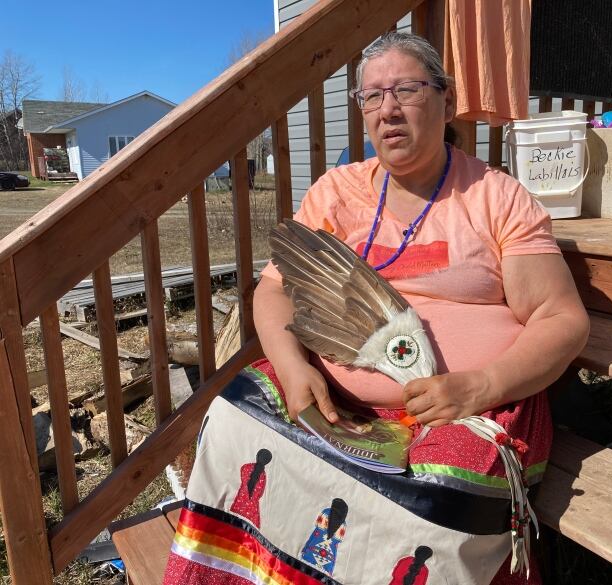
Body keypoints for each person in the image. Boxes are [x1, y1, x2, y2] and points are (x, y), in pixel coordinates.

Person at [250, 31, 590, 584]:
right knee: (238, 411)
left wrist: (482, 385)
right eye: (372, 97)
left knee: (441, 486)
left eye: (406, 90)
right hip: (338, 402)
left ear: (445, 100)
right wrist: (293, 369)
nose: (388, 110)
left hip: (472, 406)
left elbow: (561, 317)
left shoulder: (495, 196)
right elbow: (274, 290)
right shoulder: (336, 193)